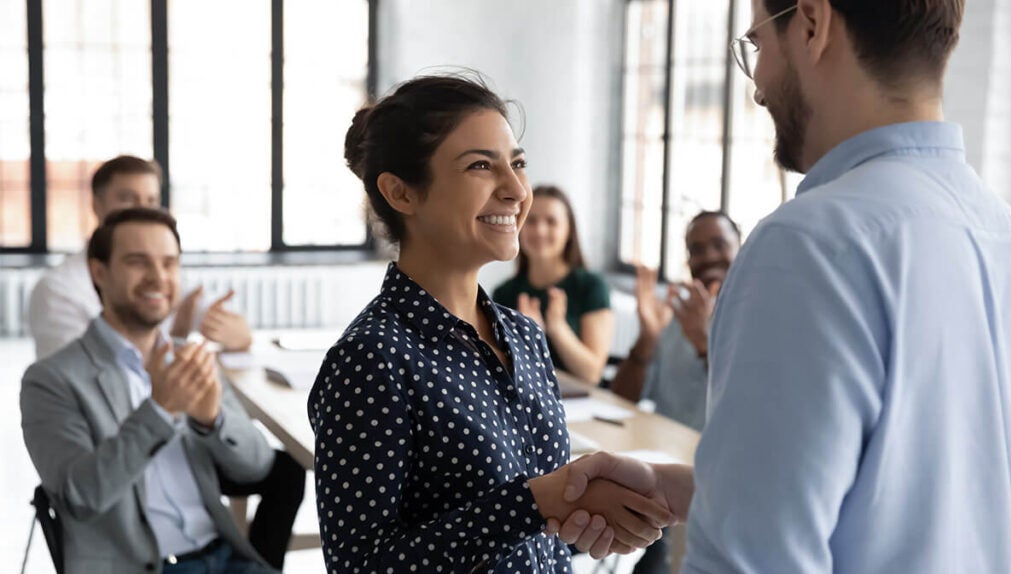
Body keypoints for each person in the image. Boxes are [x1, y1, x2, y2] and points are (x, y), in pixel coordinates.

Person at [549, 0, 1011, 571]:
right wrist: (688, 490)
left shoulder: (809, 243)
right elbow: (929, 504)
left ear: (812, 24)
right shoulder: (1007, 235)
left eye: (758, 46)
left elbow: (752, 562)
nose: (758, 90)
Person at [307, 74, 670, 573]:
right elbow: (362, 565)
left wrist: (581, 510)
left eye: (517, 164)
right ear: (401, 192)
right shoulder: (372, 358)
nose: (518, 191)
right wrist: (535, 503)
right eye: (481, 165)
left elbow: (530, 534)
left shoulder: (523, 335)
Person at [24, 155, 304, 569]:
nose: (159, 276)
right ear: (98, 273)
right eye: (138, 262)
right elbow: (79, 499)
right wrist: (159, 410)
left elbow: (257, 467)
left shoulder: (185, 359)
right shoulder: (49, 380)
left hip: (226, 557)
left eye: (169, 263)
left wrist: (213, 421)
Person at [26, 155, 252, 359]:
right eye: (128, 199)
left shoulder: (165, 275)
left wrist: (236, 332)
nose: (144, 211)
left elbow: (225, 321)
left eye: (151, 201)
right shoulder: (58, 290)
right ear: (99, 274)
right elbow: (82, 383)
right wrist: (176, 342)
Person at [610, 211, 741, 430]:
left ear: (741, 248)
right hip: (665, 451)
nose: (709, 257)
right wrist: (647, 338)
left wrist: (702, 342)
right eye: (697, 250)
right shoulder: (674, 313)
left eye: (719, 245)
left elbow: (747, 404)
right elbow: (622, 397)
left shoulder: (759, 317)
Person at [492, 185, 613, 383]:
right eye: (531, 221)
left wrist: (557, 327)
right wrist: (530, 338)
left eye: (551, 222)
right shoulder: (503, 294)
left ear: (569, 231)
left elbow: (592, 374)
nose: (540, 231)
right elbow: (503, 371)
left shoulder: (591, 286)